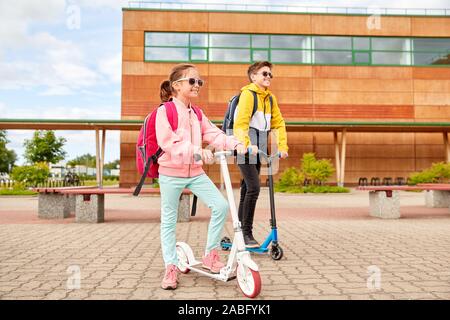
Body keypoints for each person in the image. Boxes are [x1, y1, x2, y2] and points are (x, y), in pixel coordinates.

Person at [156, 64, 257, 290]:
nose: (197, 85)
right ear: (177, 85)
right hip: (171, 173)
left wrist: (238, 144)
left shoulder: (197, 113)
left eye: (199, 82)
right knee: (169, 221)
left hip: (195, 172)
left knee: (221, 206)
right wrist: (195, 150)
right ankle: (170, 267)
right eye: (192, 81)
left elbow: (214, 134)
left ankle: (211, 255)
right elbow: (168, 142)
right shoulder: (165, 112)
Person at [233, 61, 289, 248]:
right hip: (245, 146)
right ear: (253, 76)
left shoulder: (270, 98)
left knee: (246, 189)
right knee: (254, 188)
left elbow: (279, 123)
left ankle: (239, 231)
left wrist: (282, 147)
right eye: (264, 73)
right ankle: (246, 233)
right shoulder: (248, 95)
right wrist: (246, 145)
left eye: (270, 75)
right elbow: (240, 123)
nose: (268, 77)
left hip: (261, 144)